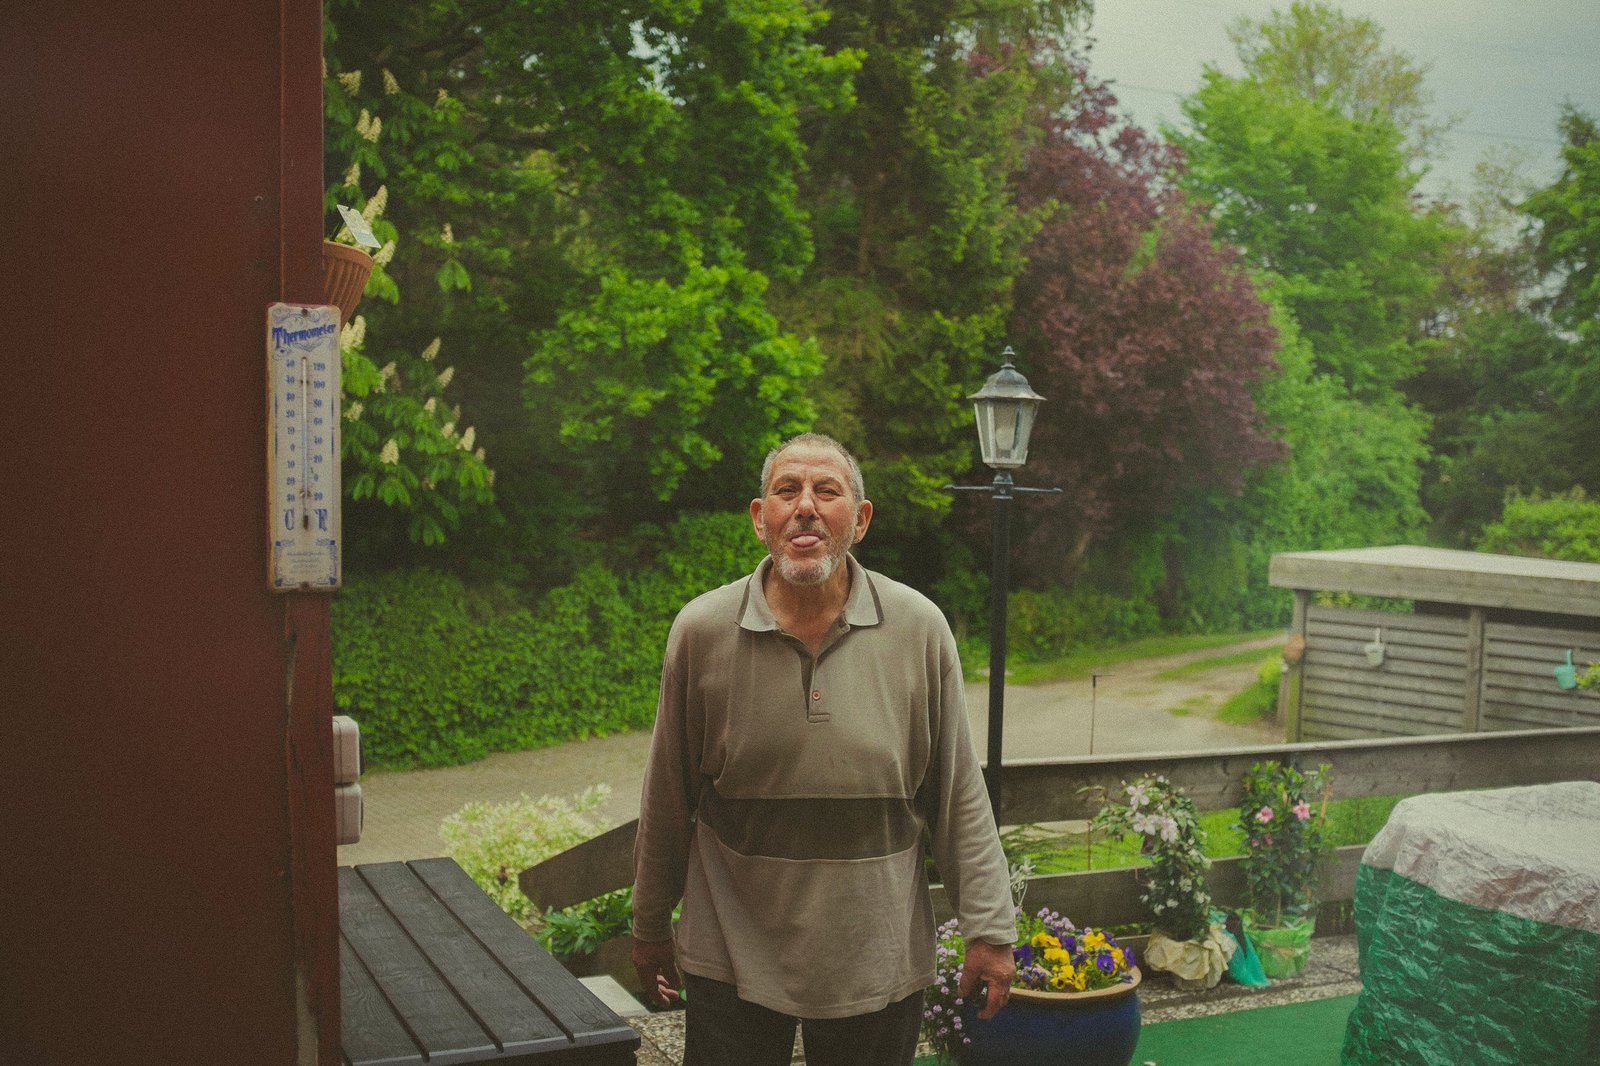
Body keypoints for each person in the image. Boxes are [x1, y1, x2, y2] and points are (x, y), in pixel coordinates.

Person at [630, 432, 1017, 1066]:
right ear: (761, 519)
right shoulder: (700, 631)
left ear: (859, 520)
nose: (805, 505)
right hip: (732, 952)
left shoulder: (919, 628)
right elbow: (666, 797)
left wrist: (991, 930)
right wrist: (649, 928)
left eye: (826, 491)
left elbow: (955, 797)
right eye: (786, 490)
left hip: (877, 953)